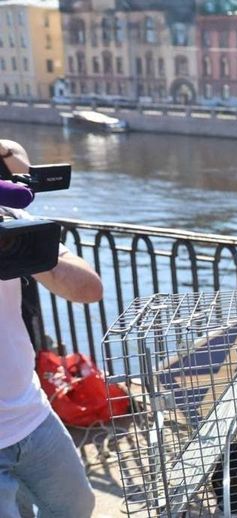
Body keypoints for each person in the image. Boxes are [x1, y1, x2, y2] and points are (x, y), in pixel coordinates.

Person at [0, 139, 103, 517]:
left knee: (76, 506)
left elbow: (90, 288)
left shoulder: (10, 219)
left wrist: (27, 250)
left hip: (28, 415)